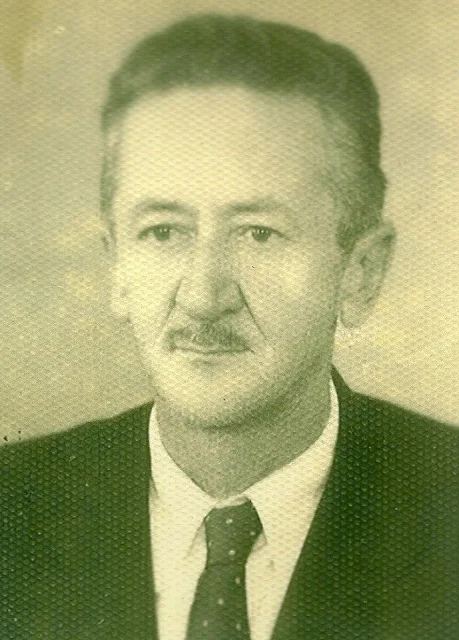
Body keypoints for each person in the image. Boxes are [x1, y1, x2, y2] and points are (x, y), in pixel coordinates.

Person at [1, 13, 458, 640]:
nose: (203, 297)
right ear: (117, 267)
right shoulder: (14, 509)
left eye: (258, 233)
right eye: (163, 231)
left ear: (360, 273)